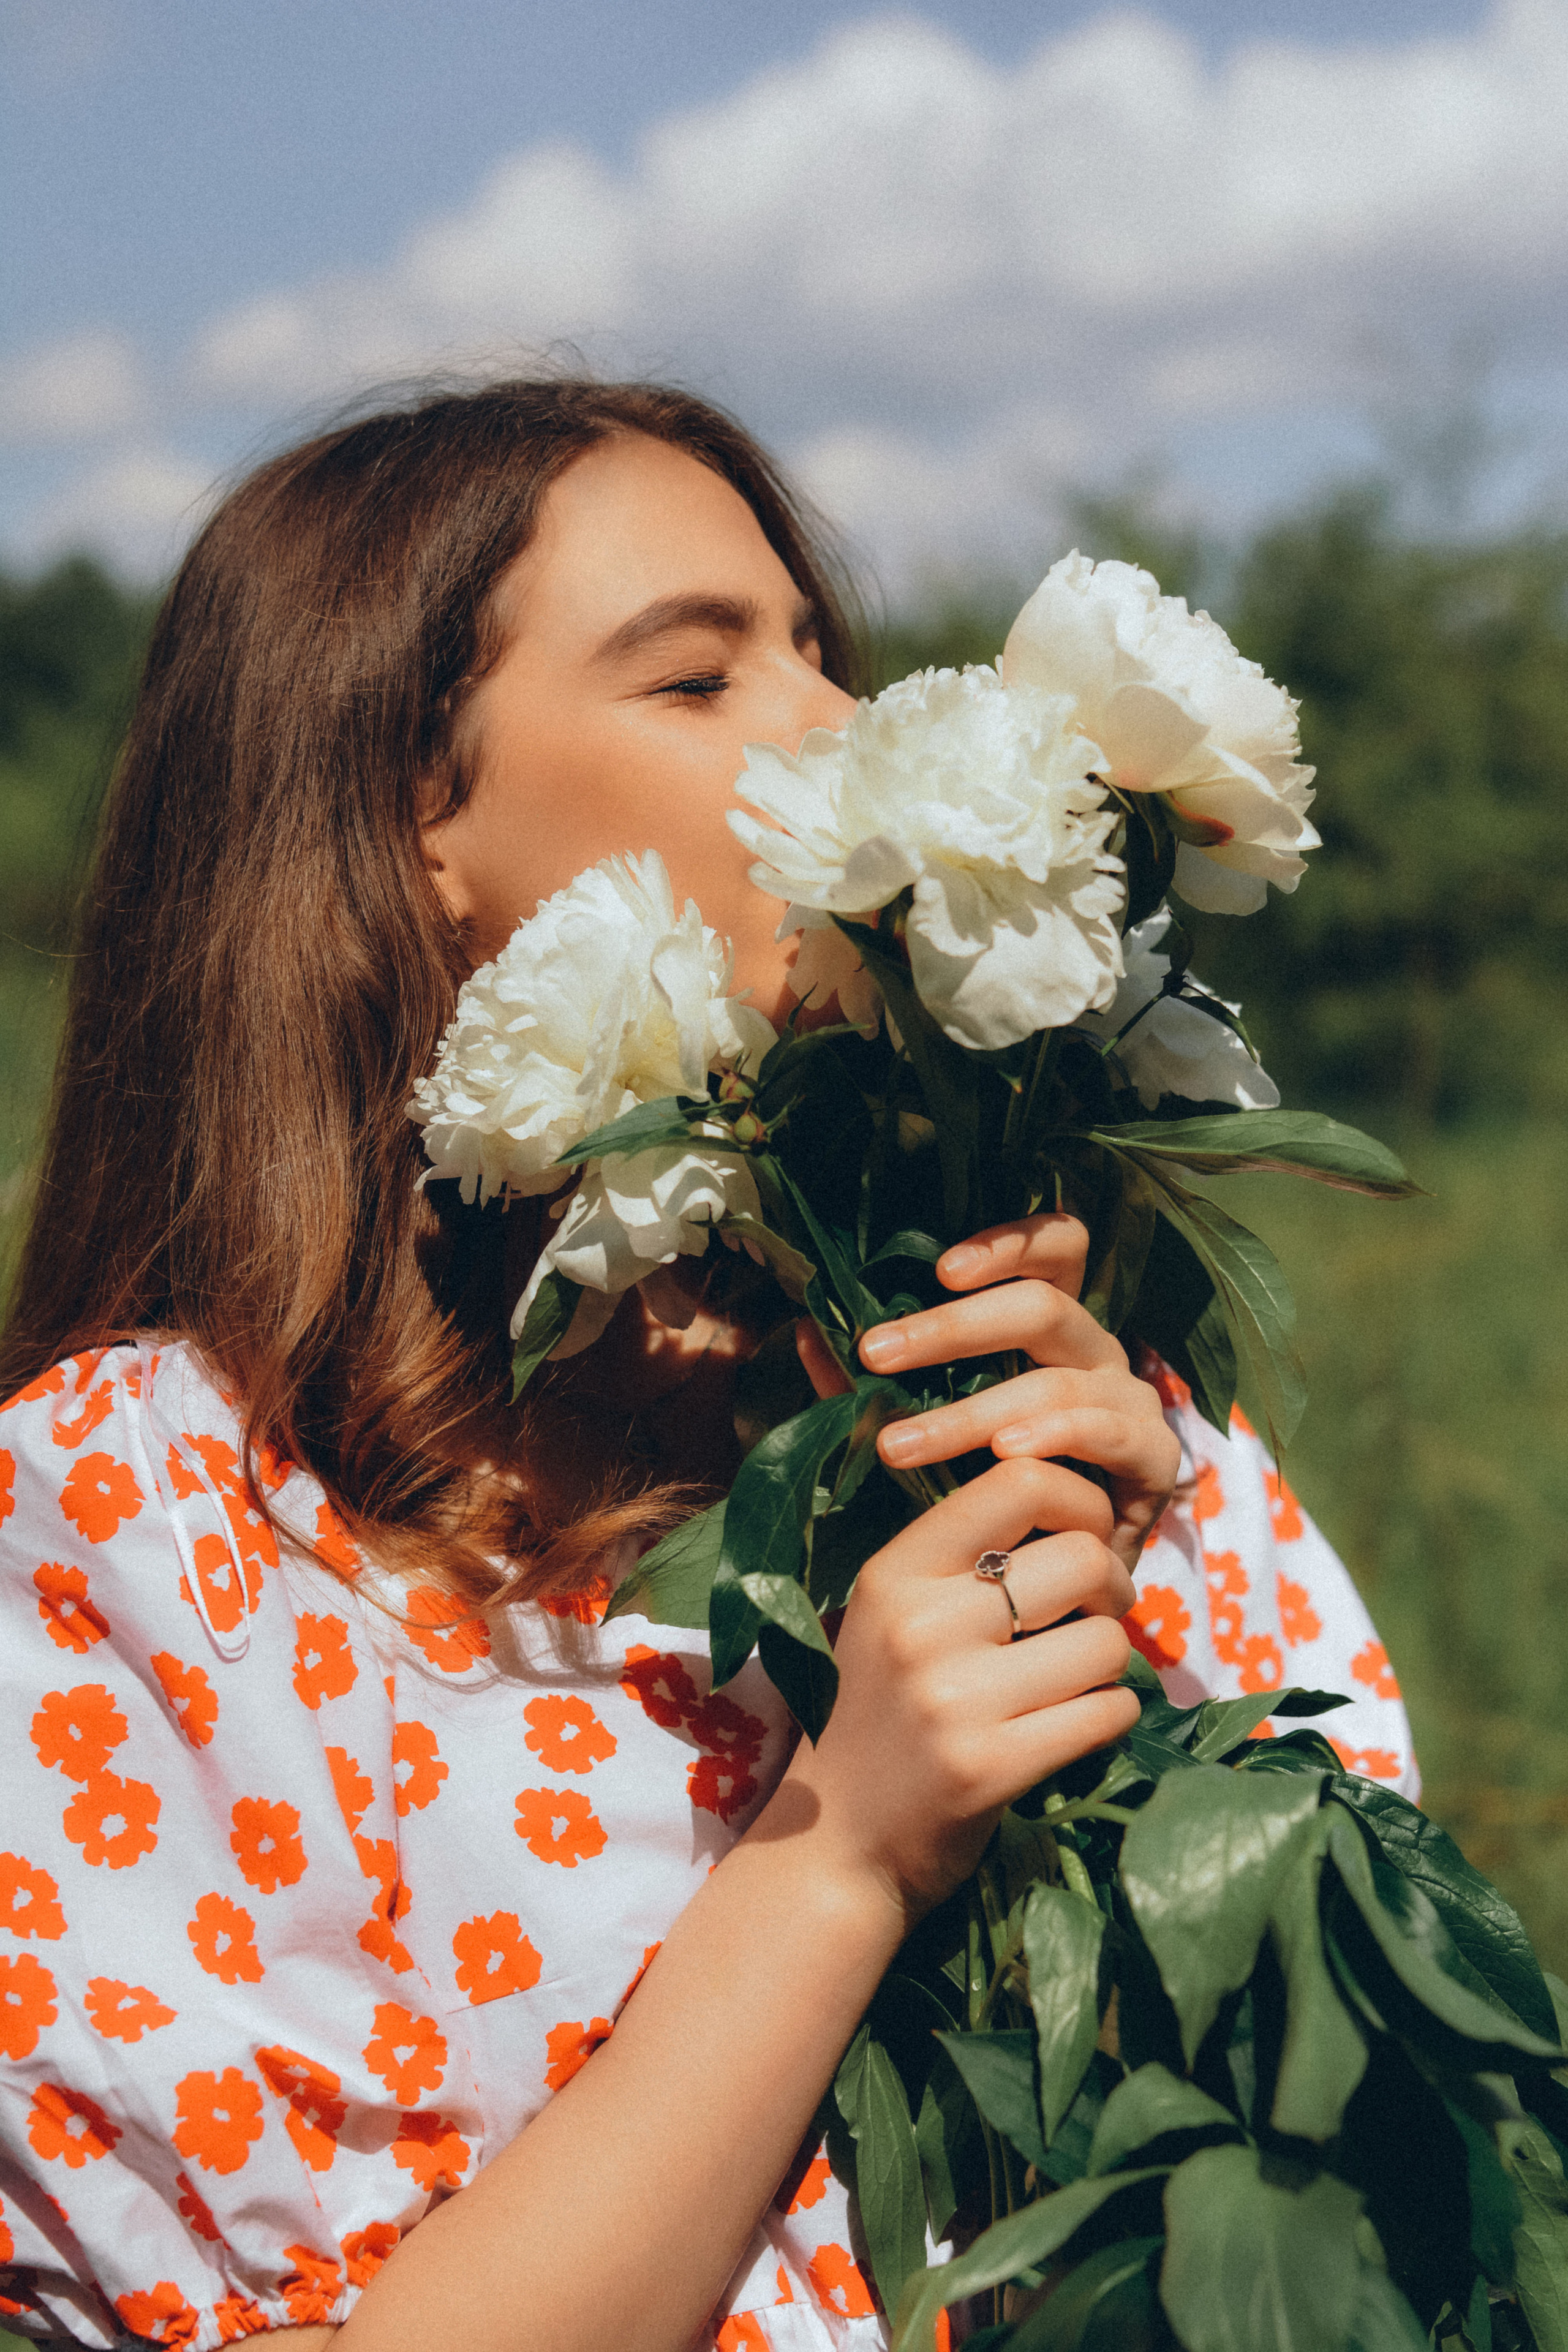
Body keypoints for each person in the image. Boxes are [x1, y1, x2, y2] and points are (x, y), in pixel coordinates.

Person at [0, 380, 1412, 2352]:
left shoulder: (1068, 1399)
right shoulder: (147, 1521)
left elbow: (1365, 2186)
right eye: (698, 676)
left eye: (821, 653)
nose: (844, 724)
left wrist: (1166, 1701)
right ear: (407, 822)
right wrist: (847, 1861)